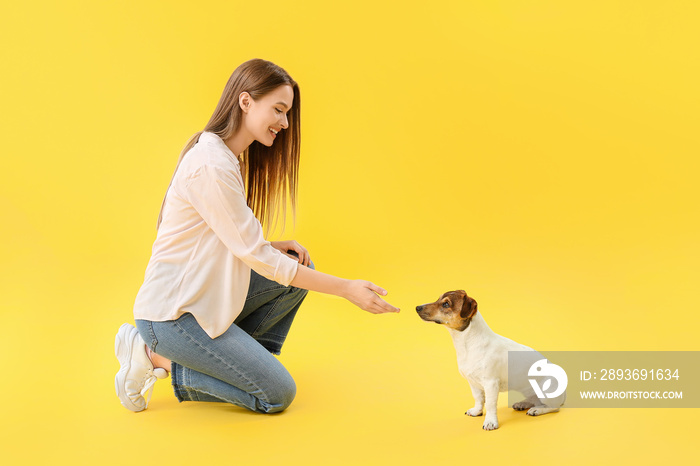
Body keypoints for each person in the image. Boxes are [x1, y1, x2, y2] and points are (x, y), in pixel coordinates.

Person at [114, 59, 400, 414]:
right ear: (246, 101)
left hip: (201, 300)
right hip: (171, 318)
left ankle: (236, 363)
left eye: (287, 113)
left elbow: (226, 238)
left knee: (295, 269)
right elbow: (255, 255)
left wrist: (273, 247)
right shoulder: (211, 164)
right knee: (277, 394)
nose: (284, 122)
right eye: (278, 110)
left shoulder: (225, 156)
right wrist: (347, 289)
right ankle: (152, 354)